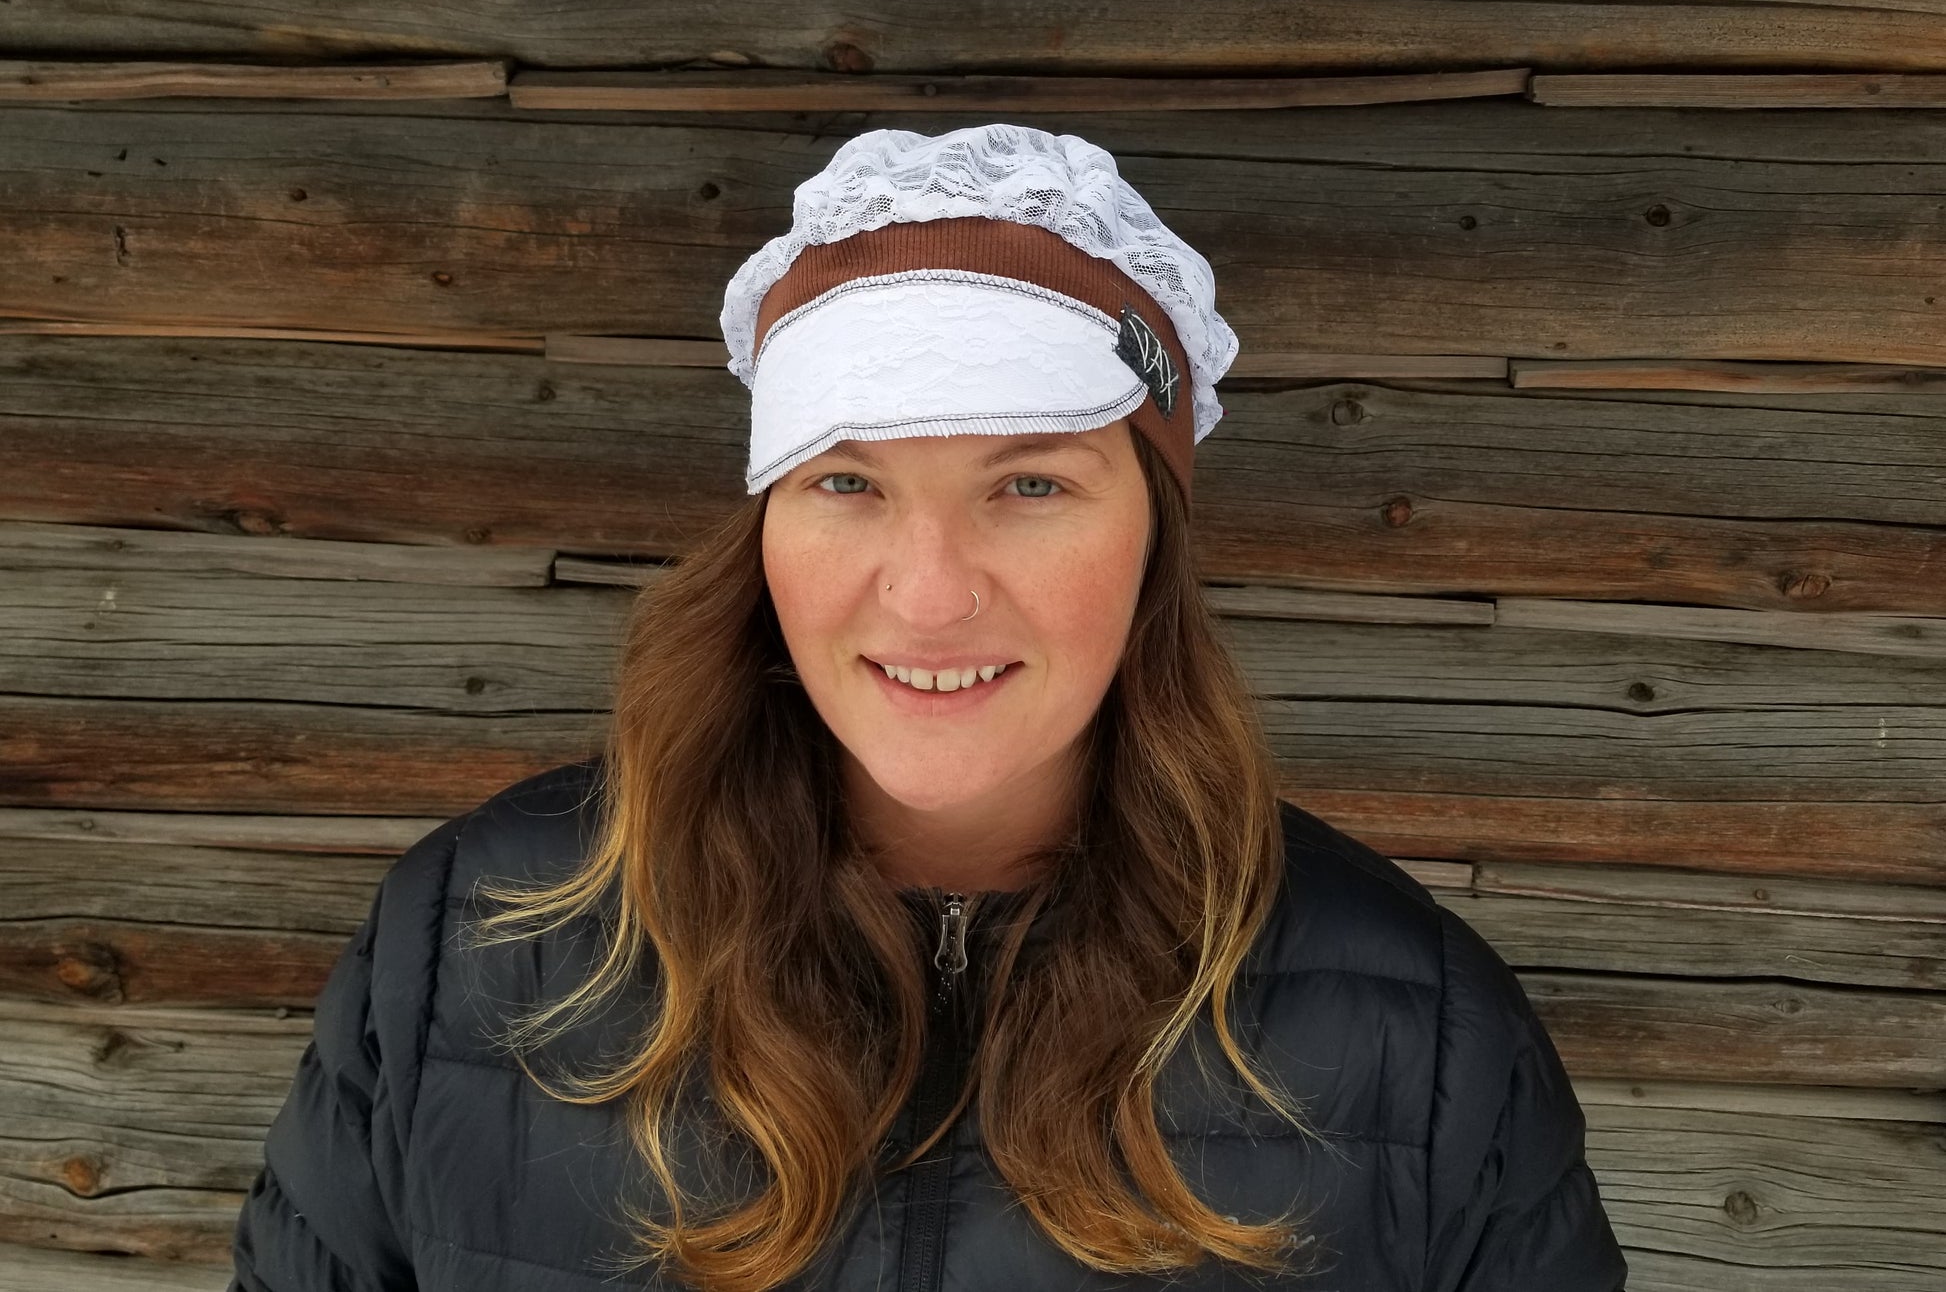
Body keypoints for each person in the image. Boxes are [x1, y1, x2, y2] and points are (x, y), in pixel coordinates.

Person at [230, 123, 1627, 1291]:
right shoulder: (466, 951)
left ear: (1155, 532)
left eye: (1029, 485)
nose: (929, 594)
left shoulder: (1421, 1038)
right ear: (764, 523)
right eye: (846, 481)